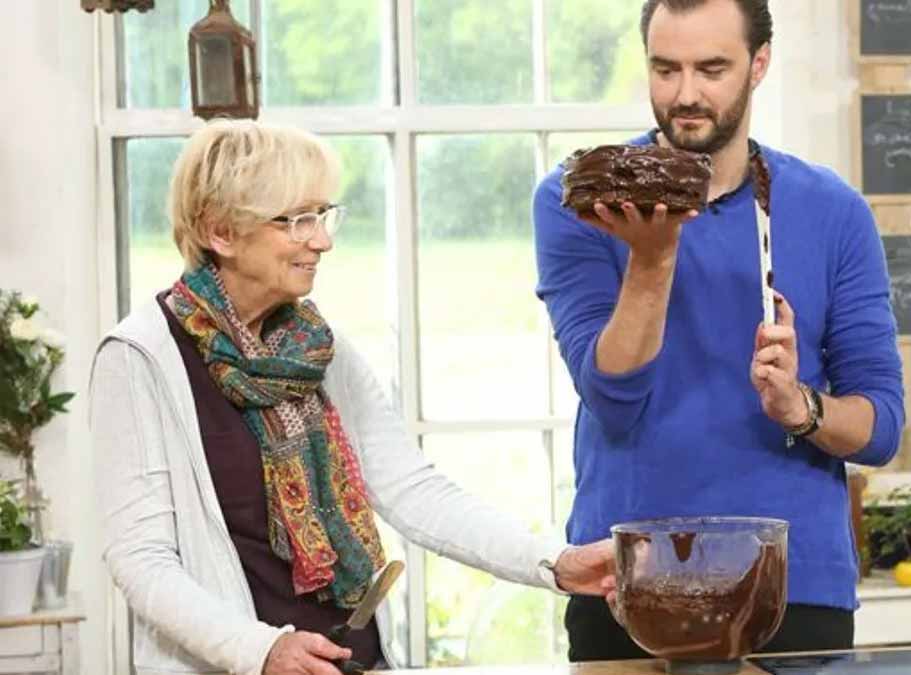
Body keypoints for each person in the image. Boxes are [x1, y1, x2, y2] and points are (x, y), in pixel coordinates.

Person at [90, 120, 614, 675]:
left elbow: (412, 491)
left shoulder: (317, 349)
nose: (322, 239)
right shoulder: (139, 357)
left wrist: (555, 564)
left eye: (322, 214)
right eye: (296, 220)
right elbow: (141, 560)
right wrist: (259, 649)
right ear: (220, 232)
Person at [533, 0, 904, 661]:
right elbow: (613, 400)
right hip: (627, 583)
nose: (685, 95)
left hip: (796, 588)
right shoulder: (581, 202)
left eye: (711, 69)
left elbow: (881, 428)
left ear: (759, 64)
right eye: (665, 69)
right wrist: (652, 256)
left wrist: (801, 406)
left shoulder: (834, 212)